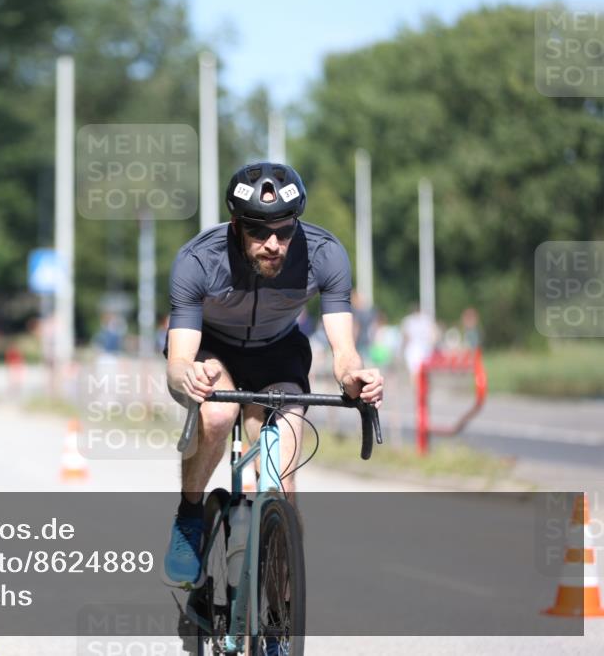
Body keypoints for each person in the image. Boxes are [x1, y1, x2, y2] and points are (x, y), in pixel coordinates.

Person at [163, 162, 384, 586]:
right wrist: (187, 377)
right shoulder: (198, 260)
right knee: (217, 416)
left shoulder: (324, 254)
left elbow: (345, 352)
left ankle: (278, 590)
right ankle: (190, 515)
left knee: (278, 478)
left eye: (283, 231)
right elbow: (178, 362)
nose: (273, 244)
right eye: (258, 232)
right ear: (235, 225)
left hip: (279, 350)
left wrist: (355, 378)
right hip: (214, 350)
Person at [400, 304, 439, 378]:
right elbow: (434, 334)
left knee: (415, 372)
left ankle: (417, 388)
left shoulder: (409, 321)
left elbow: (405, 336)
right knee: (422, 371)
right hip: (423, 348)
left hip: (414, 349)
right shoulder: (426, 320)